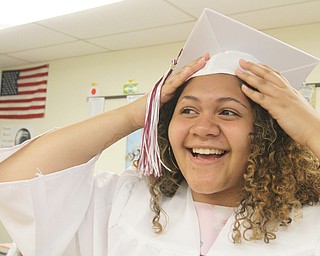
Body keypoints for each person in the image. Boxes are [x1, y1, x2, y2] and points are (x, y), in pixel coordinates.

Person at [1, 8, 320, 256]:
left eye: (228, 112)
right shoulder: (125, 204)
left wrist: (310, 128)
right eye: (188, 110)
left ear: (266, 134)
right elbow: (18, 180)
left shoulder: (310, 225)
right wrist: (133, 113)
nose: (204, 128)